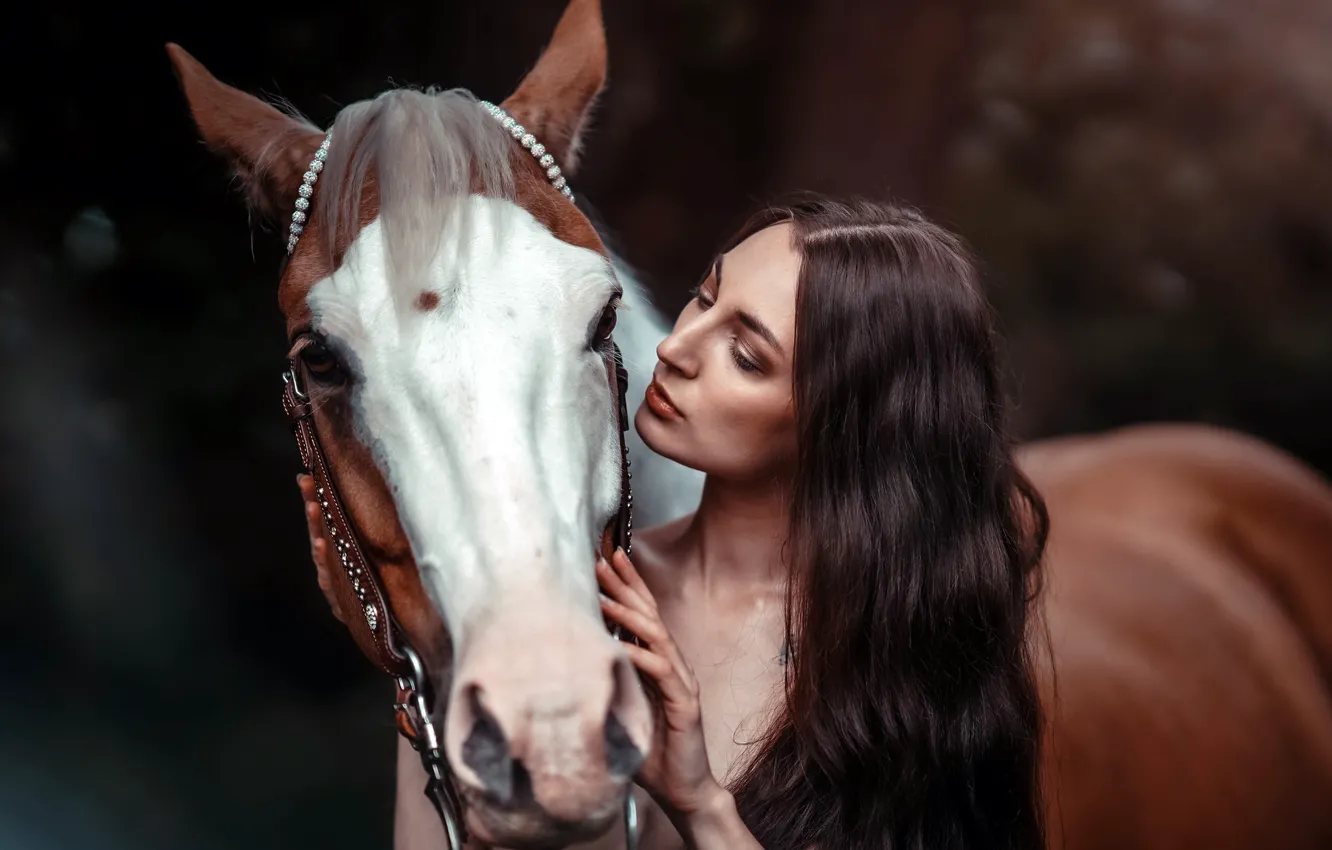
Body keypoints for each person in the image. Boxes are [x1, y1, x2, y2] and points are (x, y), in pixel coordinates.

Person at [300, 196, 1049, 850]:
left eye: (746, 356)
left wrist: (699, 802)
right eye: (703, 296)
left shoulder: (901, 648)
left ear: (848, 424)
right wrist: (415, 655)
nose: (675, 348)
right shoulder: (571, 597)